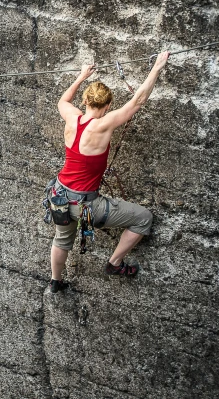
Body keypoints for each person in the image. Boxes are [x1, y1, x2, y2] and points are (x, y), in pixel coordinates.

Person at [49, 52, 169, 293]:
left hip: (59, 195)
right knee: (143, 217)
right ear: (107, 106)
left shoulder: (71, 116)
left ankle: (55, 281)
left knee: (61, 239)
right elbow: (137, 101)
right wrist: (156, 67)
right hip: (87, 205)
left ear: (84, 101)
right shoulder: (104, 124)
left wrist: (81, 75)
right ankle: (114, 263)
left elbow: (63, 100)